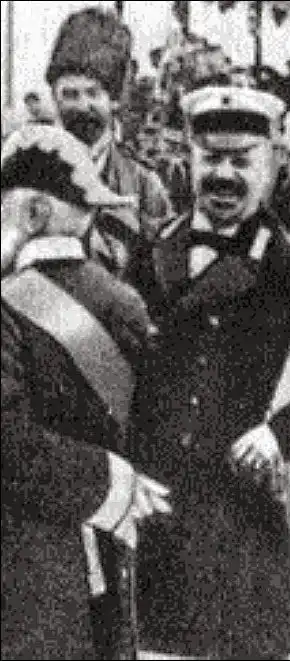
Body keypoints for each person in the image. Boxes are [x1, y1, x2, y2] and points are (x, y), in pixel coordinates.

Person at [131, 82, 290, 660]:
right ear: (189, 159)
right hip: (153, 514)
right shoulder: (150, 252)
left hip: (239, 522)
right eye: (211, 157)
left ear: (273, 165)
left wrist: (282, 434)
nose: (224, 175)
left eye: (242, 160)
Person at [1, 125, 171, 660]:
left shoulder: (5, 303)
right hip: (114, 544)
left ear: (33, 214)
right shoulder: (124, 301)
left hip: (26, 567)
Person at [45, 7, 171, 281]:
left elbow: (162, 280)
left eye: (93, 93)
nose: (82, 106)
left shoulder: (144, 185)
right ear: (54, 97)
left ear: (113, 100)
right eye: (70, 94)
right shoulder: (27, 172)